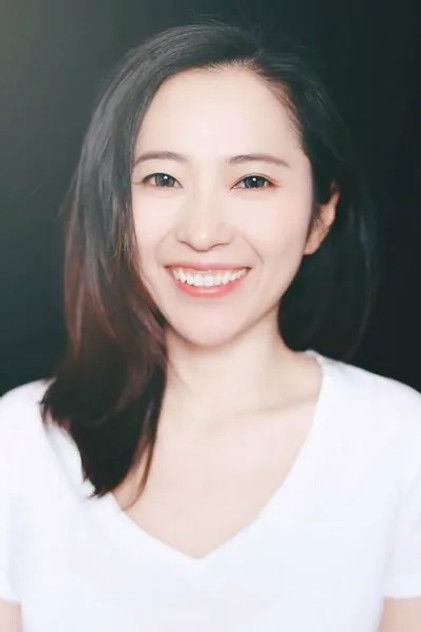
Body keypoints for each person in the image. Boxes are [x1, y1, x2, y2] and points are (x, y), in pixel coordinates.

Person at [1, 19, 420, 632]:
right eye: (162, 178)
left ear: (320, 215)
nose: (202, 232)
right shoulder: (18, 444)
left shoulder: (400, 442)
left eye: (252, 180)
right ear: (115, 207)